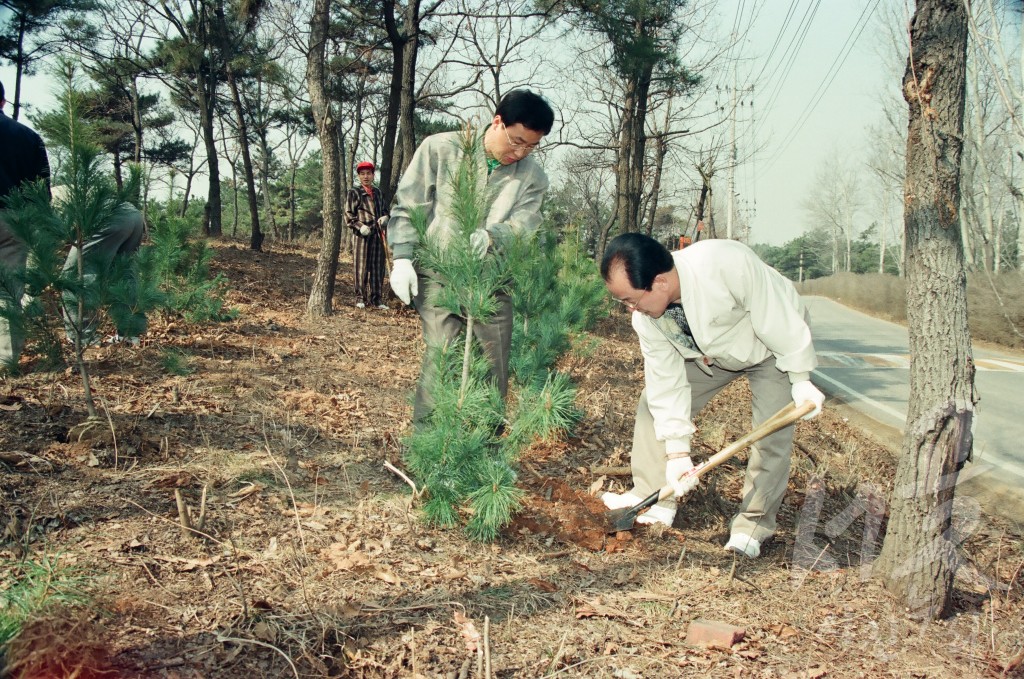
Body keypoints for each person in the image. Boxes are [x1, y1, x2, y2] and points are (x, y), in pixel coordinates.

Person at [599, 233, 825, 558]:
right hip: (710, 355)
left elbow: (778, 319)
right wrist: (677, 455)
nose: (631, 309)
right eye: (623, 302)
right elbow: (667, 383)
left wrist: (800, 378)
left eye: (632, 299)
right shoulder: (647, 318)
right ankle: (656, 499)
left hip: (770, 348)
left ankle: (753, 525)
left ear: (660, 282)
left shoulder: (726, 264)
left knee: (771, 435)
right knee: (653, 406)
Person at [387, 89, 555, 424]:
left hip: (494, 282)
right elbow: (410, 203)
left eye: (532, 146)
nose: (521, 152)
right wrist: (403, 257)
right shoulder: (442, 148)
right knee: (443, 359)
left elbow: (527, 223)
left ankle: (485, 456)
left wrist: (495, 236)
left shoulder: (532, 177)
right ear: (497, 122)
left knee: (495, 367)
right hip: (439, 273)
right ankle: (433, 453)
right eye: (517, 140)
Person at [0, 79, 51, 368]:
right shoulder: (28, 136)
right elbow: (41, 191)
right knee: (8, 290)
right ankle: (6, 360)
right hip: (14, 219)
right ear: (3, 102)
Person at [345, 160, 390, 310]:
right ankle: (360, 298)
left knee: (378, 267)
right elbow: (348, 215)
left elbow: (385, 210)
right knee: (361, 267)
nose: (366, 177)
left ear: (373, 175)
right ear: (358, 176)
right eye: (362, 174)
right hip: (361, 235)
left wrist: (385, 218)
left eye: (368, 173)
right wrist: (360, 226)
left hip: (378, 234)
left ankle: (377, 299)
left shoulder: (377, 192)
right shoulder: (354, 192)